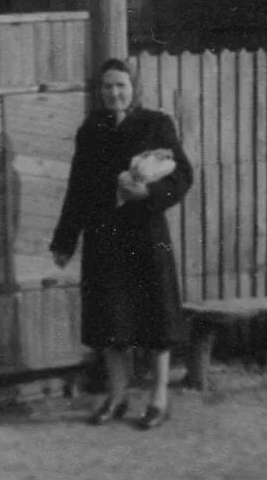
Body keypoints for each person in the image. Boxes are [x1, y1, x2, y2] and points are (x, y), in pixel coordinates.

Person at [51, 58, 193, 429]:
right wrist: (64, 240)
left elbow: (183, 174)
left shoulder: (155, 124)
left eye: (121, 86)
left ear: (135, 88)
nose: (114, 93)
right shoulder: (91, 130)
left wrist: (150, 190)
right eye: (107, 87)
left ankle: (159, 398)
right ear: (100, 91)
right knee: (111, 319)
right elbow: (77, 189)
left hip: (146, 233)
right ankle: (117, 396)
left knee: (156, 316)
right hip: (105, 236)